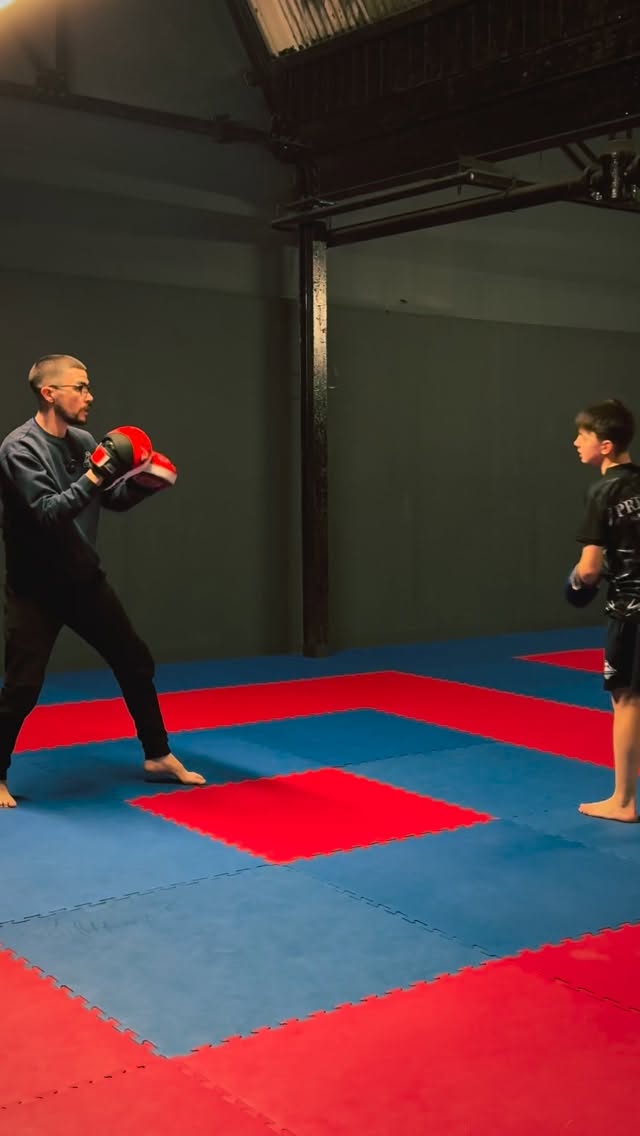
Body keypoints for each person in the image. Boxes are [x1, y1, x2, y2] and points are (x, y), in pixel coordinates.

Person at [0, 354, 205, 809]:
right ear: (49, 393)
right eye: (80, 387)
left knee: (135, 661)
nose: (89, 395)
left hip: (82, 579)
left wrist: (145, 484)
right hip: (36, 590)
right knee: (22, 687)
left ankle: (157, 755)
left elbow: (107, 499)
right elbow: (49, 513)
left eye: (89, 386)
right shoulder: (19, 449)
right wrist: (97, 473)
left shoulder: (83, 440)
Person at [570, 397, 640, 821]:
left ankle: (624, 800)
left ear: (607, 445)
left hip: (629, 609)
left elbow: (591, 569)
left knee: (626, 699)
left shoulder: (602, 489)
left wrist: (577, 579)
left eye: (584, 435)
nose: (576, 441)